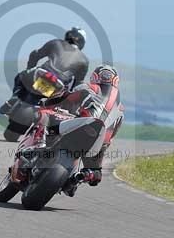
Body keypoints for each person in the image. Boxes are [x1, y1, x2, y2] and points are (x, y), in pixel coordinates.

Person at [24, 64, 124, 196]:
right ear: (116, 81)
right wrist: (96, 166)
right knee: (94, 174)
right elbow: (109, 137)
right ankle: (77, 179)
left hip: (81, 124)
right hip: (98, 142)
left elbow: (67, 98)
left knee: (44, 115)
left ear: (95, 76)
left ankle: (39, 144)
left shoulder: (89, 87)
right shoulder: (121, 110)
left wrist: (47, 103)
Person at [0, 27, 90, 114]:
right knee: (55, 107)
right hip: (58, 86)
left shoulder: (56, 42)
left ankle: (15, 97)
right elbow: (78, 84)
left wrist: (30, 68)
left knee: (21, 76)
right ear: (82, 42)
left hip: (42, 74)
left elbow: (35, 54)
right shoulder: (84, 60)